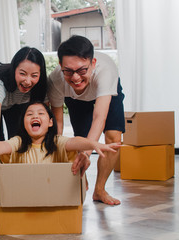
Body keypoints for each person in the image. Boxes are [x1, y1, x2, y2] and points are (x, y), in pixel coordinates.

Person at [47, 35, 125, 205]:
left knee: (113, 138)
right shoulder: (55, 80)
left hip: (105, 92)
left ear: (93, 63)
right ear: (60, 66)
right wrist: (57, 149)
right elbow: (58, 126)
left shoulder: (106, 72)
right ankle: (80, 181)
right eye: (68, 71)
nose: (75, 77)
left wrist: (87, 154)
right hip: (75, 98)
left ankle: (100, 190)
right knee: (79, 140)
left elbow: (99, 118)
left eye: (82, 70)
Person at [0, 101, 120, 176]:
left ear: (50, 122)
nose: (35, 116)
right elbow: (1, 146)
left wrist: (91, 143)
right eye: (30, 114)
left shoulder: (56, 141)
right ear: (24, 123)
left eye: (41, 113)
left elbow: (74, 141)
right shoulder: (19, 142)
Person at [0, 47, 47, 174]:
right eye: (22, 73)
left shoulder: (41, 86)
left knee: (18, 142)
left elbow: (45, 120)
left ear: (40, 74)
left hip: (16, 103)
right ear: (14, 69)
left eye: (34, 75)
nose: (27, 81)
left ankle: (16, 180)